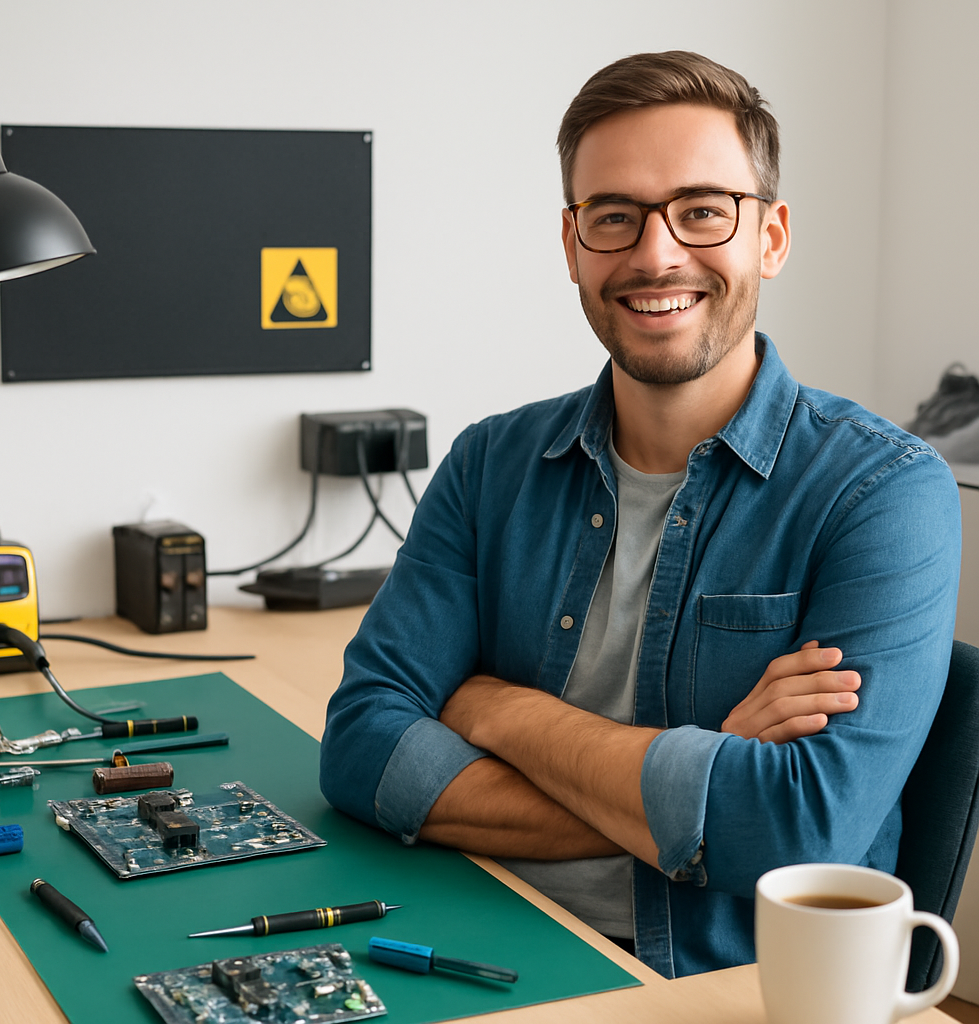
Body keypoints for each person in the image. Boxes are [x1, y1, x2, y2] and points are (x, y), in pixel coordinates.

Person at [318, 50, 961, 979]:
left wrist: (496, 710)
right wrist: (694, 782)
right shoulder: (490, 464)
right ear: (573, 244)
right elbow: (361, 746)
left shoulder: (886, 494)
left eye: (703, 210)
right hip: (478, 944)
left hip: (710, 988)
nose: (656, 253)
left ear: (771, 237)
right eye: (614, 217)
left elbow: (795, 826)